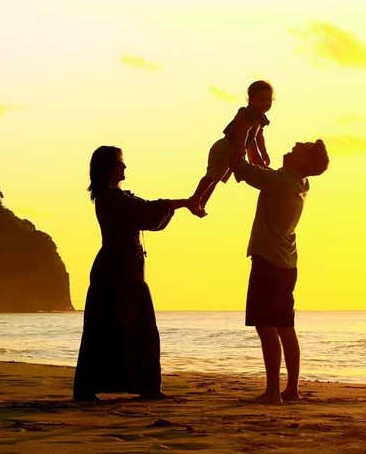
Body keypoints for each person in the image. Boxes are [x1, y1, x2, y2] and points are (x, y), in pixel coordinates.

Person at [73, 145, 196, 401]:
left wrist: (182, 204)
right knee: (113, 330)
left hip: (127, 270)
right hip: (115, 272)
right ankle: (129, 387)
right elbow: (148, 211)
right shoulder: (111, 199)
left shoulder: (116, 197)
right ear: (108, 168)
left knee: (133, 329)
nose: (124, 167)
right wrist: (183, 203)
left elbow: (149, 214)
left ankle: (143, 386)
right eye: (120, 162)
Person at [230, 139, 329, 404]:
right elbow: (259, 169)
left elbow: (242, 169)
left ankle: (273, 391)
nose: (295, 144)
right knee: (286, 326)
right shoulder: (299, 183)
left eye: (301, 148)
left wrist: (242, 136)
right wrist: (252, 140)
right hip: (287, 263)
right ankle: (291, 389)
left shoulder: (281, 182)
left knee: (266, 326)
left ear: (303, 163)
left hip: (268, 261)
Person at [189, 80, 274, 217]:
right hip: (225, 147)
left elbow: (258, 138)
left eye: (269, 100)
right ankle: (195, 198)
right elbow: (243, 132)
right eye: (261, 100)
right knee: (211, 176)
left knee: (215, 179)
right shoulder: (248, 114)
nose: (265, 103)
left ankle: (201, 203)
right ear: (251, 100)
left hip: (232, 150)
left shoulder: (260, 119)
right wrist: (241, 150)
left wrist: (264, 154)